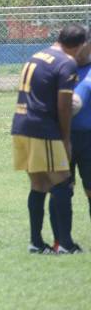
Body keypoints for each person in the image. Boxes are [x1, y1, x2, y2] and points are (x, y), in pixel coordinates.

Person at [12, 24, 86, 254]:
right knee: (62, 182)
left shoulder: (37, 55)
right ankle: (64, 244)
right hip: (43, 128)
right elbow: (64, 106)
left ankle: (36, 243)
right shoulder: (67, 62)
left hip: (21, 125)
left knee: (39, 184)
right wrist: (65, 138)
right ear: (82, 45)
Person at [69, 42, 91, 234]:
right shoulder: (62, 68)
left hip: (88, 140)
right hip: (62, 138)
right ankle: (62, 241)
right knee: (63, 190)